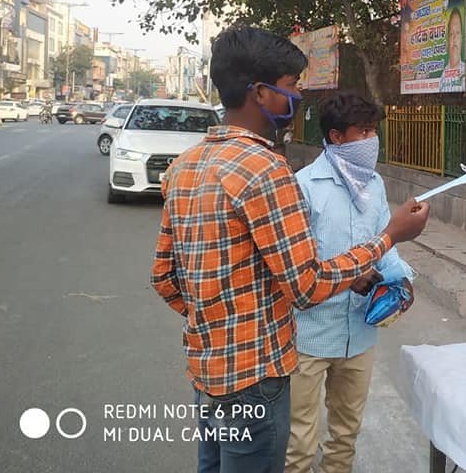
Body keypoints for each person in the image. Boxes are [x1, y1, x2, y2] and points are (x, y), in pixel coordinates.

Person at [151, 26, 430, 473]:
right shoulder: (269, 171)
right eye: (291, 86)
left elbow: (165, 278)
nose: (297, 96)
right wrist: (389, 237)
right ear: (261, 93)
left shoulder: (186, 165)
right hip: (258, 373)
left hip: (208, 368)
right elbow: (306, 285)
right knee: (292, 451)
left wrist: (218, 322)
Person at [286, 94, 416, 473]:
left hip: (359, 334)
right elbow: (296, 266)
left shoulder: (373, 185)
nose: (372, 140)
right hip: (308, 337)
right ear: (337, 137)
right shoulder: (304, 186)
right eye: (364, 131)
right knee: (299, 442)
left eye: (374, 131)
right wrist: (348, 278)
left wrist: (403, 279)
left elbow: (383, 242)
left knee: (345, 434)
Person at [439, 7, 466, 93]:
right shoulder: (442, 77)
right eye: (451, 34)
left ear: (462, 38)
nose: (454, 38)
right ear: (447, 40)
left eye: (457, 33)